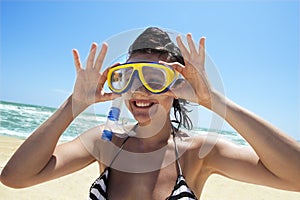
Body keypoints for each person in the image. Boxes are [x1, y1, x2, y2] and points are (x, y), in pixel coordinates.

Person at [1, 27, 300, 200]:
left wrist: (214, 102)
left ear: (178, 85)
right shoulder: (105, 143)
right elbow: (15, 178)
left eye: (154, 79)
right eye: (127, 78)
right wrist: (72, 106)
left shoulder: (199, 153)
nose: (139, 90)